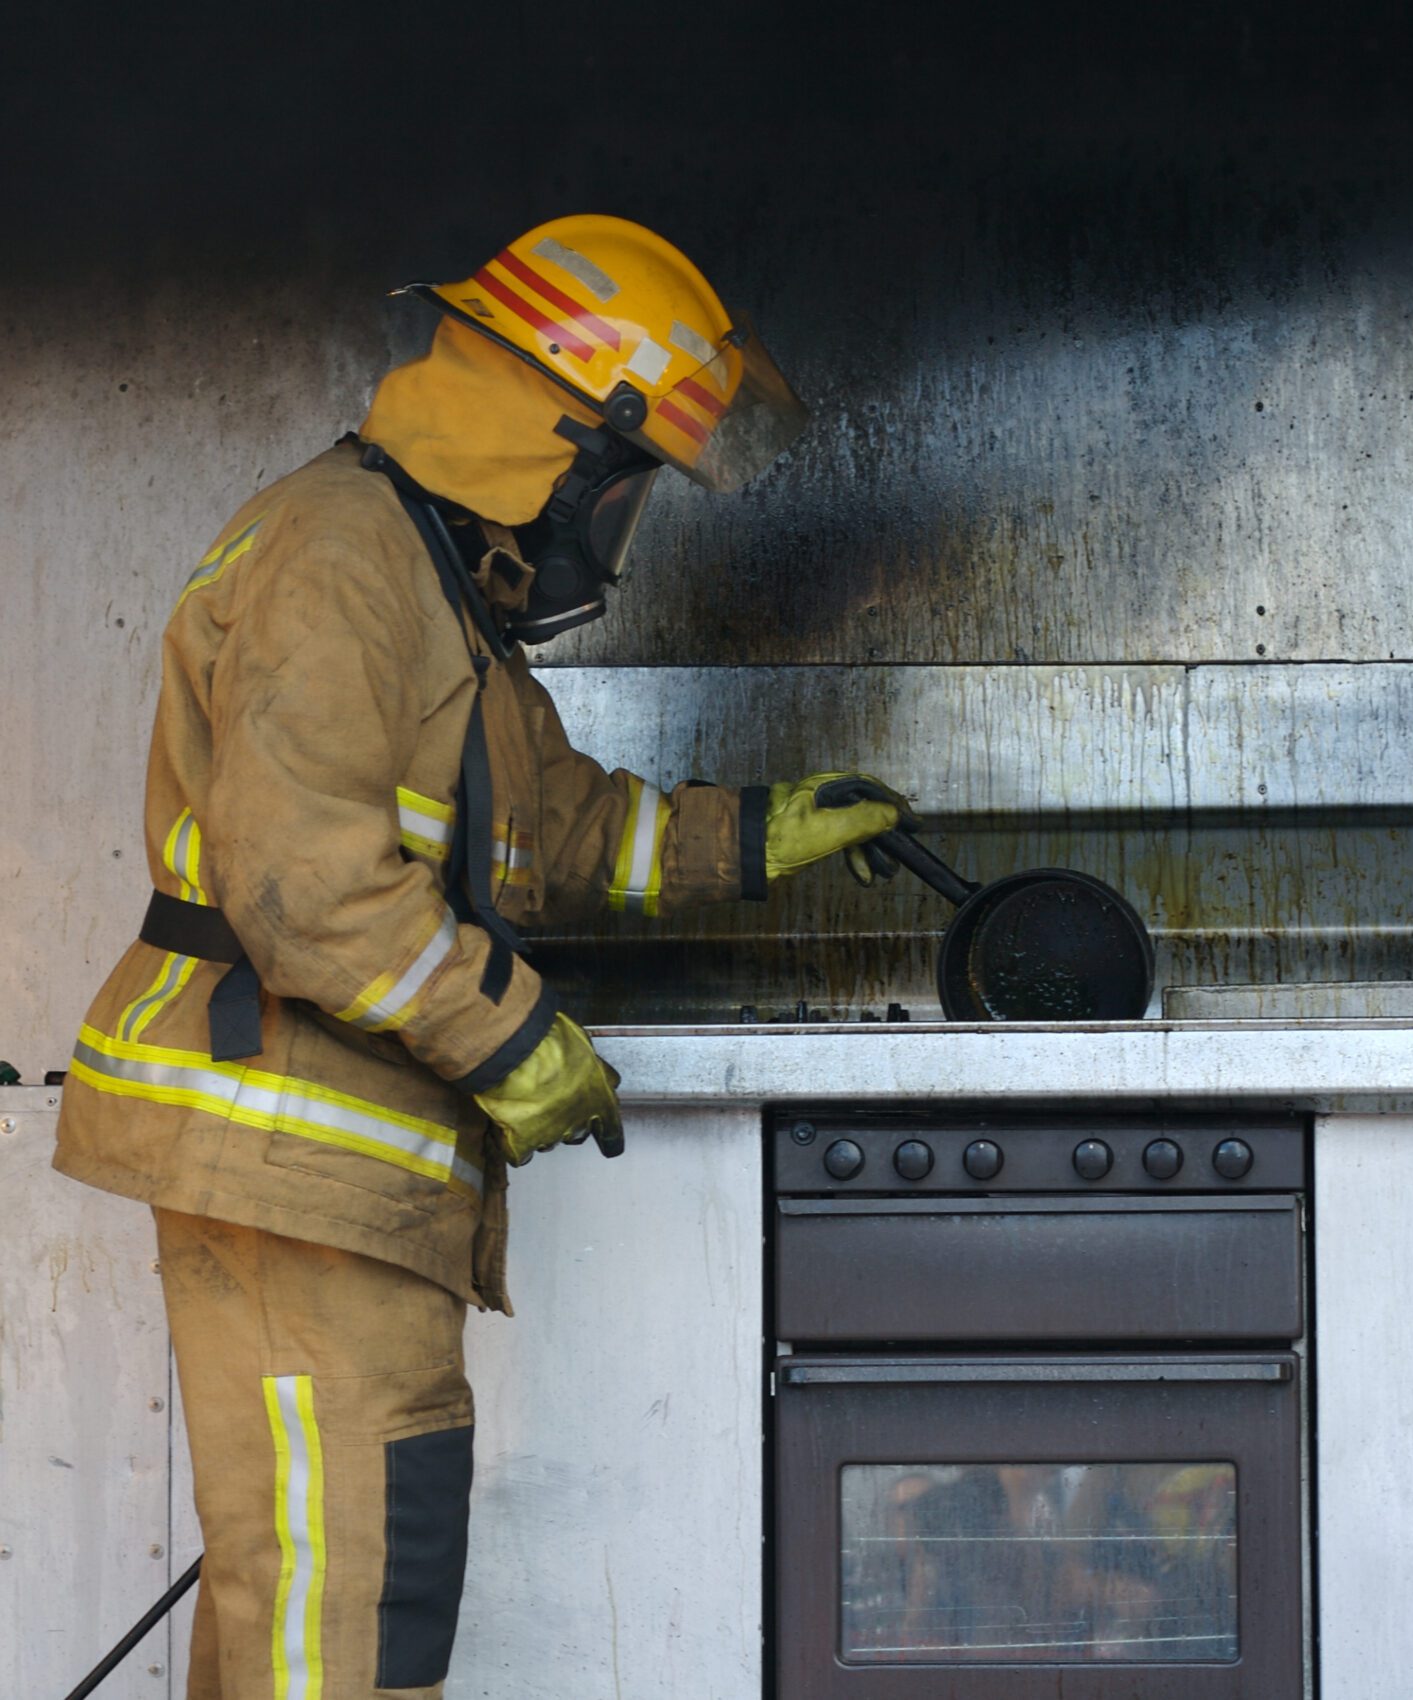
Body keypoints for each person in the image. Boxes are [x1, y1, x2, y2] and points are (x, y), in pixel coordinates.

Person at [52, 215, 910, 1698]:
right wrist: (513, 1038)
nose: (617, 524)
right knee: (347, 1609)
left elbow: (561, 832)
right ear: (561, 439)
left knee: (309, 1601)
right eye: (625, 483)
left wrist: (755, 835)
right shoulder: (345, 558)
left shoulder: (441, 591)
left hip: (332, 1171)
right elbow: (300, 879)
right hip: (288, 1152)